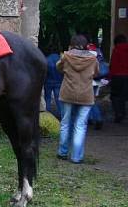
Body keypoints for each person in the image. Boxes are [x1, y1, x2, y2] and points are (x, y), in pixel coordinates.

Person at [56, 34, 99, 163]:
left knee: (65, 123)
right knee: (80, 126)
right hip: (86, 95)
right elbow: (96, 73)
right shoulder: (93, 59)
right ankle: (76, 157)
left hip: (68, 93)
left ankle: (62, 152)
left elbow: (59, 68)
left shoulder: (66, 56)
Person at [108, 34, 128, 123]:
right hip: (127, 76)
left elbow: (113, 65)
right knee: (123, 96)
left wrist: (109, 77)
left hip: (117, 76)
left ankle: (118, 114)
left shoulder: (116, 50)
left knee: (115, 96)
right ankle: (123, 113)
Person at [43, 48, 63, 119]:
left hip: (48, 82)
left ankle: (46, 115)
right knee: (58, 99)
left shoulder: (46, 59)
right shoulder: (61, 59)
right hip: (58, 82)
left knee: (47, 98)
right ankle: (61, 115)